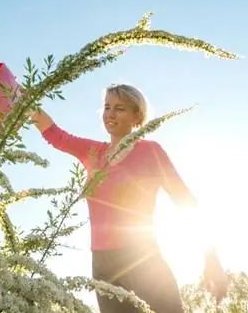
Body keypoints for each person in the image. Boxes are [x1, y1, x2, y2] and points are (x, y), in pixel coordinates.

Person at [30, 84, 227, 313]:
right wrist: (19, 98)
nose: (110, 114)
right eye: (106, 107)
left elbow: (186, 203)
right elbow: (55, 134)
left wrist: (210, 258)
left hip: (143, 259)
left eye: (119, 108)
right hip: (103, 268)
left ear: (137, 116)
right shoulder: (94, 153)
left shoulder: (151, 152)